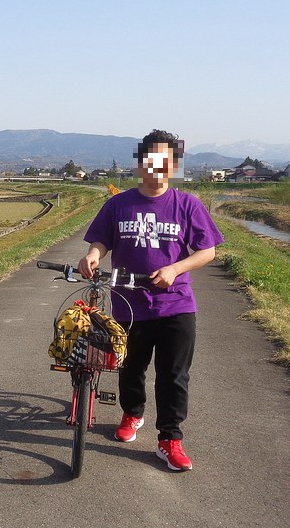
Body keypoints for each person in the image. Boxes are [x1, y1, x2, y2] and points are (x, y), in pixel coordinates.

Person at [78, 129, 223, 472]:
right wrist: (93, 255)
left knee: (174, 375)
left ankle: (170, 438)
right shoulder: (118, 204)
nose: (156, 166)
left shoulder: (187, 204)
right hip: (129, 303)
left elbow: (208, 251)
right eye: (150, 158)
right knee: (131, 367)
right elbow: (100, 240)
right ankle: (132, 413)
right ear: (141, 163)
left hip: (176, 303)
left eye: (165, 160)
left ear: (173, 165)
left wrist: (175, 268)